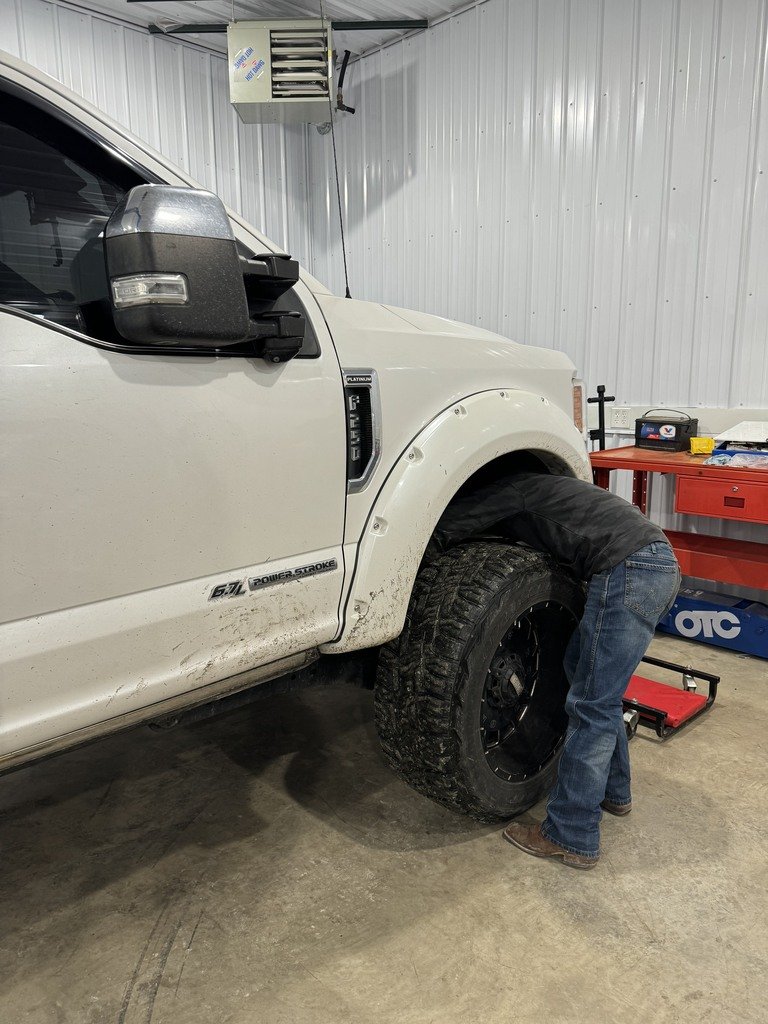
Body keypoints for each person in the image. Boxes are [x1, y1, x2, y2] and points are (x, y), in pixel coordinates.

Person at [437, 469, 681, 870]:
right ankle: (614, 792)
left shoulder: (510, 486)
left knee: (591, 706)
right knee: (591, 682)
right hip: (656, 564)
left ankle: (571, 834)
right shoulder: (549, 487)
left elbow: (448, 526)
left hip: (630, 570)